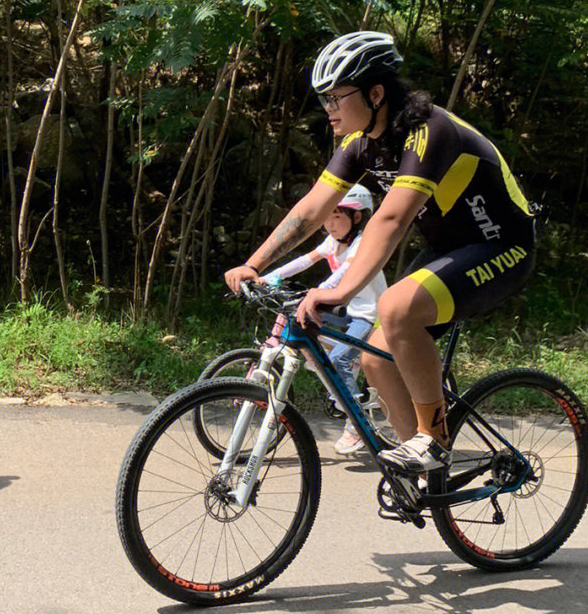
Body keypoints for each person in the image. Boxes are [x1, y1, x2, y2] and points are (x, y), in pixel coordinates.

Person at [225, 30, 536, 475]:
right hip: (450, 247)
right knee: (374, 357)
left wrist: (340, 292)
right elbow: (313, 208)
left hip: (502, 245)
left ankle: (434, 440)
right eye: (323, 100)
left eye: (336, 98)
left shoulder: (431, 132)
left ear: (375, 93)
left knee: (394, 306)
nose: (328, 109)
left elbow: (390, 221)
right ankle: (425, 476)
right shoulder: (360, 144)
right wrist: (254, 264)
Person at [251, 184, 387, 457]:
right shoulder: (332, 243)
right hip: (343, 310)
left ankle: (356, 422)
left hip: (368, 314)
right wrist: (268, 277)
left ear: (357, 218)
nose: (330, 224)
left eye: (337, 217)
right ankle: (339, 380)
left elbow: (340, 278)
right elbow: (303, 261)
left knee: (338, 360)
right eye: (326, 217)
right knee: (304, 333)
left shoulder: (361, 245)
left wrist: (316, 293)